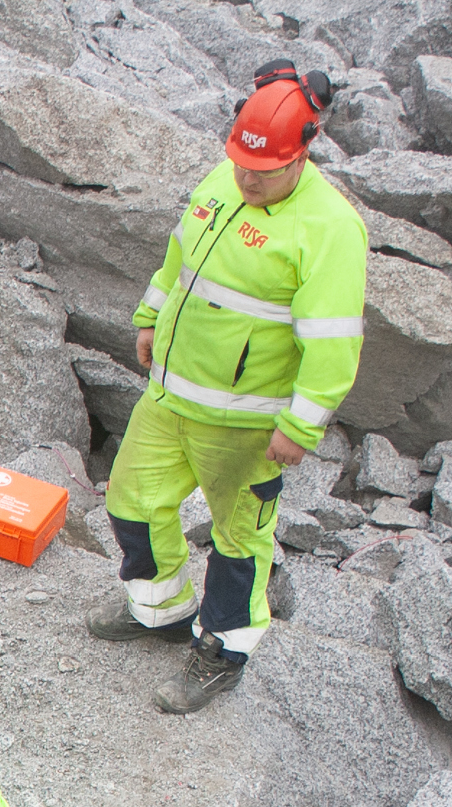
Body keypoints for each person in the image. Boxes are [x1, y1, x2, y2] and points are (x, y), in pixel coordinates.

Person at [95, 60, 367, 715]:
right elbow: (179, 257)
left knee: (238, 541)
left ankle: (221, 652)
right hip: (171, 397)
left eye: (263, 172)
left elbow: (333, 343)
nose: (246, 179)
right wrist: (149, 314)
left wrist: (301, 426)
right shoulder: (225, 177)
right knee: (132, 502)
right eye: (240, 165)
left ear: (301, 155)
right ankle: (159, 609)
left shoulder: (330, 229)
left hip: (244, 424)